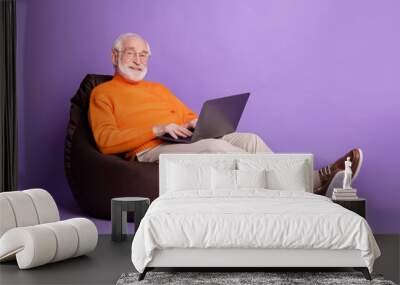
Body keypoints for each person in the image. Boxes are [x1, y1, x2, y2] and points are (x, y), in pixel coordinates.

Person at [89, 33, 362, 195]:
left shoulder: (158, 88)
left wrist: (197, 122)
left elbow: (187, 115)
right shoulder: (103, 93)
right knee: (216, 147)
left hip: (180, 139)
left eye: (144, 55)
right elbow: (105, 140)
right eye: (131, 53)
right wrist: (158, 129)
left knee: (250, 140)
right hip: (148, 148)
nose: (138, 60)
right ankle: (309, 184)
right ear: (115, 57)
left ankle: (308, 182)